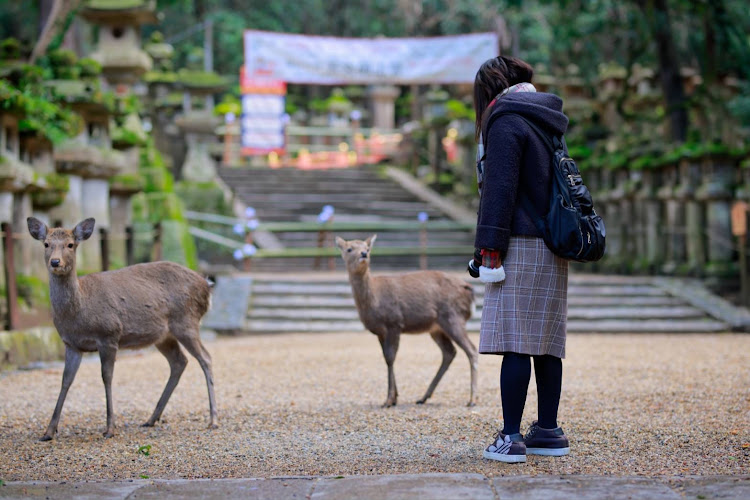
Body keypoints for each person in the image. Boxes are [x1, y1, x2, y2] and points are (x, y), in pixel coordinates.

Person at [470, 55, 571, 463]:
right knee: (546, 342)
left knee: (515, 340)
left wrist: (486, 249)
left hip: (521, 241)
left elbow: (500, 192)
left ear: (491, 87)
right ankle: (549, 431)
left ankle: (511, 438)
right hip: (553, 242)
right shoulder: (545, 116)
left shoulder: (507, 118)